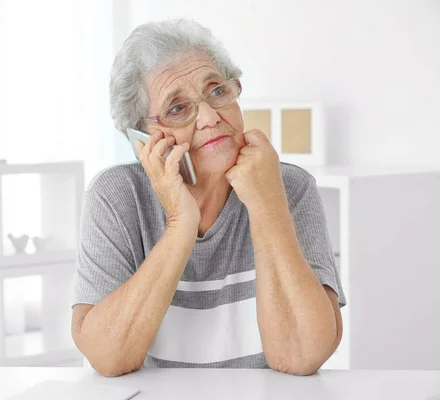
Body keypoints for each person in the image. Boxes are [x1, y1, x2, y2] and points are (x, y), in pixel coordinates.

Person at [71, 19, 346, 377]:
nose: (209, 117)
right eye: (177, 108)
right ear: (143, 138)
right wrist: (179, 224)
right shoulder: (117, 196)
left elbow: (300, 356)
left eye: (217, 91)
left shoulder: (290, 187)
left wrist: (267, 205)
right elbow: (109, 358)